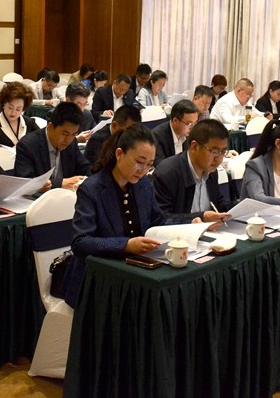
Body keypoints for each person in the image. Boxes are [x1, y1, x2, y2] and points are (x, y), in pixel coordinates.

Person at [62, 124, 220, 307]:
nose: (143, 170)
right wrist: (126, 245)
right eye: (139, 162)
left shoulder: (142, 184)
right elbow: (81, 242)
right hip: (98, 281)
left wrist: (190, 223)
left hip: (136, 272)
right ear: (119, 154)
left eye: (149, 165)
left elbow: (158, 220)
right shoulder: (92, 189)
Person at [153, 119, 233, 221]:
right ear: (194, 146)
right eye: (214, 151)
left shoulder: (211, 171)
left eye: (223, 152)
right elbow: (161, 219)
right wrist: (201, 217)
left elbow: (217, 203)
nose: (219, 159)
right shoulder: (167, 173)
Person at [14, 102, 90, 190]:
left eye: (73, 134)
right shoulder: (28, 145)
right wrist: (60, 183)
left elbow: (85, 168)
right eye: (65, 134)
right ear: (50, 127)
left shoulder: (71, 143)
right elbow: (25, 182)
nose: (68, 140)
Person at [152, 99, 199, 166]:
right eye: (189, 124)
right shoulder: (157, 136)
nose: (192, 128)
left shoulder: (190, 135)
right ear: (175, 121)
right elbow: (161, 166)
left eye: (195, 123)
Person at [0, 81, 39, 147]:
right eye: (10, 108)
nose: (13, 112)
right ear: (3, 104)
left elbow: (41, 140)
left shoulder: (29, 123)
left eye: (18, 109)